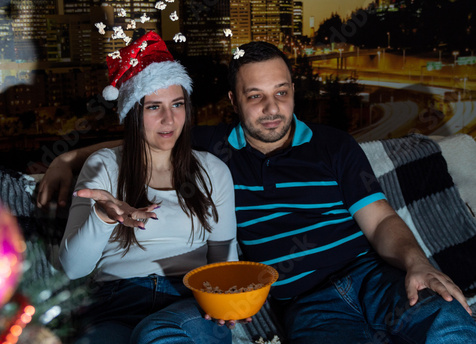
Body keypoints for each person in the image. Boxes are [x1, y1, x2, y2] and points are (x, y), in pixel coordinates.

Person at [42, 41, 476, 343]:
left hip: (369, 277)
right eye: (256, 97)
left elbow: (381, 219)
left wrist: (419, 263)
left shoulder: (333, 145)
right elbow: (147, 135)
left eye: (282, 93)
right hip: (306, 303)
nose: (272, 109)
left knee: (446, 318)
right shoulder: (212, 149)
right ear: (234, 101)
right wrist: (70, 159)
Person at [59, 31, 238, 344]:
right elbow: (74, 268)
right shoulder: (103, 166)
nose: (169, 119)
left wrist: (228, 300)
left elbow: (224, 259)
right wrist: (102, 219)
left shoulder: (213, 170)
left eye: (177, 104)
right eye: (154, 107)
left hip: (190, 300)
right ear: (132, 114)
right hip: (115, 301)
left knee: (157, 334)